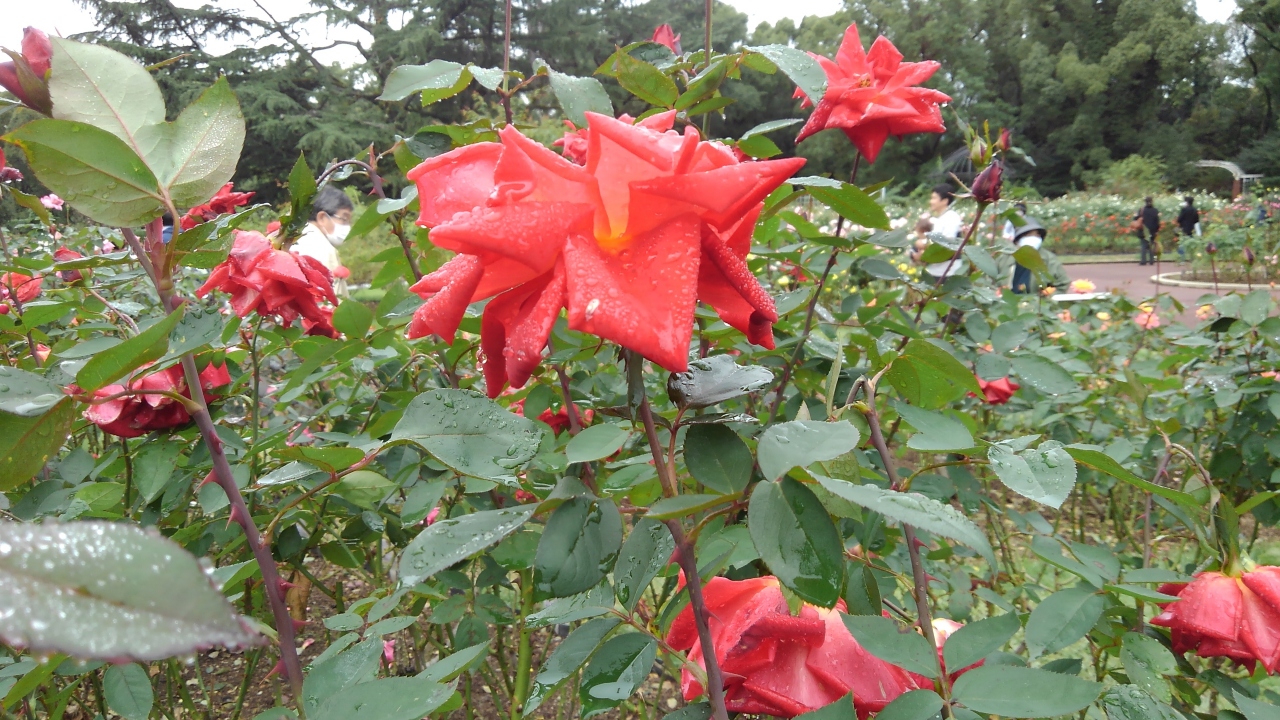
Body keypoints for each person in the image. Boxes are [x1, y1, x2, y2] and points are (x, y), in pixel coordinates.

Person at [294, 186, 354, 297]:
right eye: (344, 219)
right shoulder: (322, 249)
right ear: (322, 218)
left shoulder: (293, 239)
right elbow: (330, 302)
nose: (348, 226)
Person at [924, 184, 967, 278]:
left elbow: (947, 245)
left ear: (944, 201)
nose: (931, 201)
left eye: (934, 198)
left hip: (947, 272)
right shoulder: (941, 218)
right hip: (937, 270)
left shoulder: (951, 218)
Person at [1010, 216, 1045, 294]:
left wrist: (1046, 297)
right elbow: (991, 282)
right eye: (1028, 235)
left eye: (1037, 235)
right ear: (1017, 240)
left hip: (1036, 303)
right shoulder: (1004, 258)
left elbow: (1062, 282)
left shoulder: (1049, 258)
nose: (1033, 239)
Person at [1134, 196, 1159, 266]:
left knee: (1143, 245)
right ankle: (1151, 260)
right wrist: (1156, 230)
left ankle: (1143, 260)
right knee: (1151, 244)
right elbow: (1157, 222)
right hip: (1152, 230)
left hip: (1143, 229)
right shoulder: (1155, 210)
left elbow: (1136, 218)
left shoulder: (1142, 210)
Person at [1176, 196, 1199, 261]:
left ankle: (1181, 259)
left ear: (1186, 202)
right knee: (1191, 244)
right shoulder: (1194, 210)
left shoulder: (1184, 209)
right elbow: (1196, 220)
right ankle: (1192, 258)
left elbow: (1179, 219)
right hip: (1191, 228)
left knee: (1182, 243)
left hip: (1184, 228)